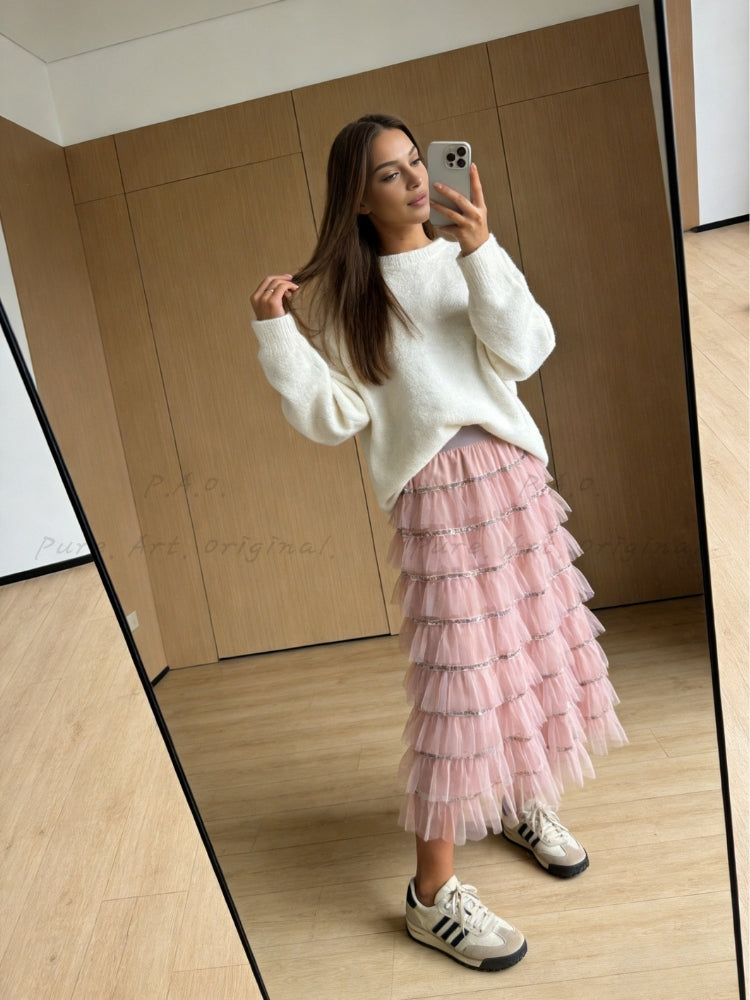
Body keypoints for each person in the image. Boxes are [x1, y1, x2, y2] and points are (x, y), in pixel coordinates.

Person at [250, 113, 627, 972]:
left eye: (417, 162)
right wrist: (279, 338)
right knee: (459, 689)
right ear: (359, 196)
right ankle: (430, 896)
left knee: (529, 654)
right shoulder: (346, 300)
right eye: (392, 173)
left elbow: (526, 351)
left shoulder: (468, 256)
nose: (417, 179)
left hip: (512, 481)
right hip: (436, 503)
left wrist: (483, 252)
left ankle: (518, 798)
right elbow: (334, 416)